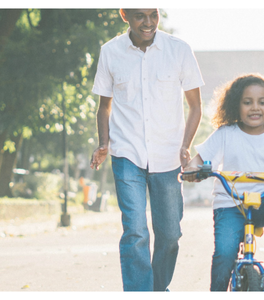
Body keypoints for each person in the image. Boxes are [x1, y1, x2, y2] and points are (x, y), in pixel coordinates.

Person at [89, 8, 204, 291]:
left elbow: (196, 106)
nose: (149, 22)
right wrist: (104, 143)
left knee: (169, 234)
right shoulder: (110, 51)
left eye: (153, 14)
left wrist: (185, 146)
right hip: (127, 154)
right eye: (140, 15)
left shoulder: (179, 50)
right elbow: (104, 107)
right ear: (124, 14)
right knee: (136, 231)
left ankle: (157, 289)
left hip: (168, 156)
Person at [182, 73, 264, 291]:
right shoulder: (226, 134)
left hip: (263, 201)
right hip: (230, 204)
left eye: (262, 102)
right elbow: (199, 160)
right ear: (236, 105)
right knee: (224, 253)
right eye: (247, 102)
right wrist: (192, 169)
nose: (255, 108)